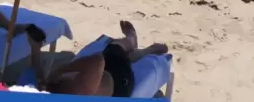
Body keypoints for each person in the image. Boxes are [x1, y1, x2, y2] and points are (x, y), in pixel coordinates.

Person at [14, 20, 168, 96]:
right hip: (120, 82)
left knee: (120, 57)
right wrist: (61, 69)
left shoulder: (42, 89)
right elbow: (97, 61)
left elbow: (37, 74)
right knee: (114, 49)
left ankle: (139, 52)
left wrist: (35, 48)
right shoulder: (76, 90)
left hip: (103, 78)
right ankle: (133, 41)